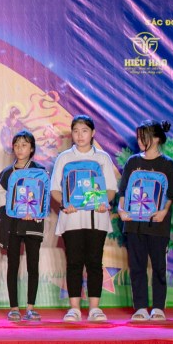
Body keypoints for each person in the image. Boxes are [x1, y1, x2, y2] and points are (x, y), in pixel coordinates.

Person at [50, 115, 118, 323]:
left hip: (97, 218)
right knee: (74, 263)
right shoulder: (64, 158)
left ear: (93, 133)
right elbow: (55, 189)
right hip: (72, 218)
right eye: (76, 131)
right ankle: (74, 308)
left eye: (84, 131)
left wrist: (103, 202)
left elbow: (111, 189)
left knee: (95, 262)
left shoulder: (102, 157)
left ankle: (95, 308)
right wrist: (65, 203)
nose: (80, 136)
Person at [117, 120, 173, 323]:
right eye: (139, 137)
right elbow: (123, 191)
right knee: (137, 266)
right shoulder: (133, 162)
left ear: (157, 139)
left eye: (145, 137)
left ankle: (158, 307)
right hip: (134, 224)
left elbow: (171, 194)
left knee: (159, 267)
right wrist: (121, 210)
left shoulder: (167, 164)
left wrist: (163, 211)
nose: (140, 141)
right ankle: (141, 307)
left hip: (158, 225)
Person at [0, 130, 46, 322]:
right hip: (12, 224)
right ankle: (14, 307)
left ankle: (30, 308)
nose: (19, 149)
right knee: (12, 265)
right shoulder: (7, 173)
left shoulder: (40, 171)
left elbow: (44, 195)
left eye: (24, 145)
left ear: (31, 148)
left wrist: (33, 210)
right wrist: (16, 203)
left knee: (33, 265)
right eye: (16, 145)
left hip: (33, 224)